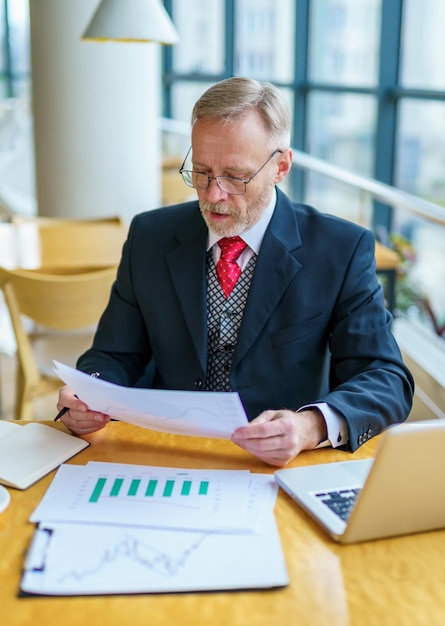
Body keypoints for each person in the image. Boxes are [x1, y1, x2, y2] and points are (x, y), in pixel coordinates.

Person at [57, 76, 414, 466]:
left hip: (279, 465)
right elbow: (113, 354)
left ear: (281, 167)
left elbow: (385, 378)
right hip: (163, 454)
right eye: (202, 171)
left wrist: (309, 426)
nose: (213, 195)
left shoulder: (341, 250)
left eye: (234, 175)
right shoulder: (149, 236)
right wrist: (88, 393)